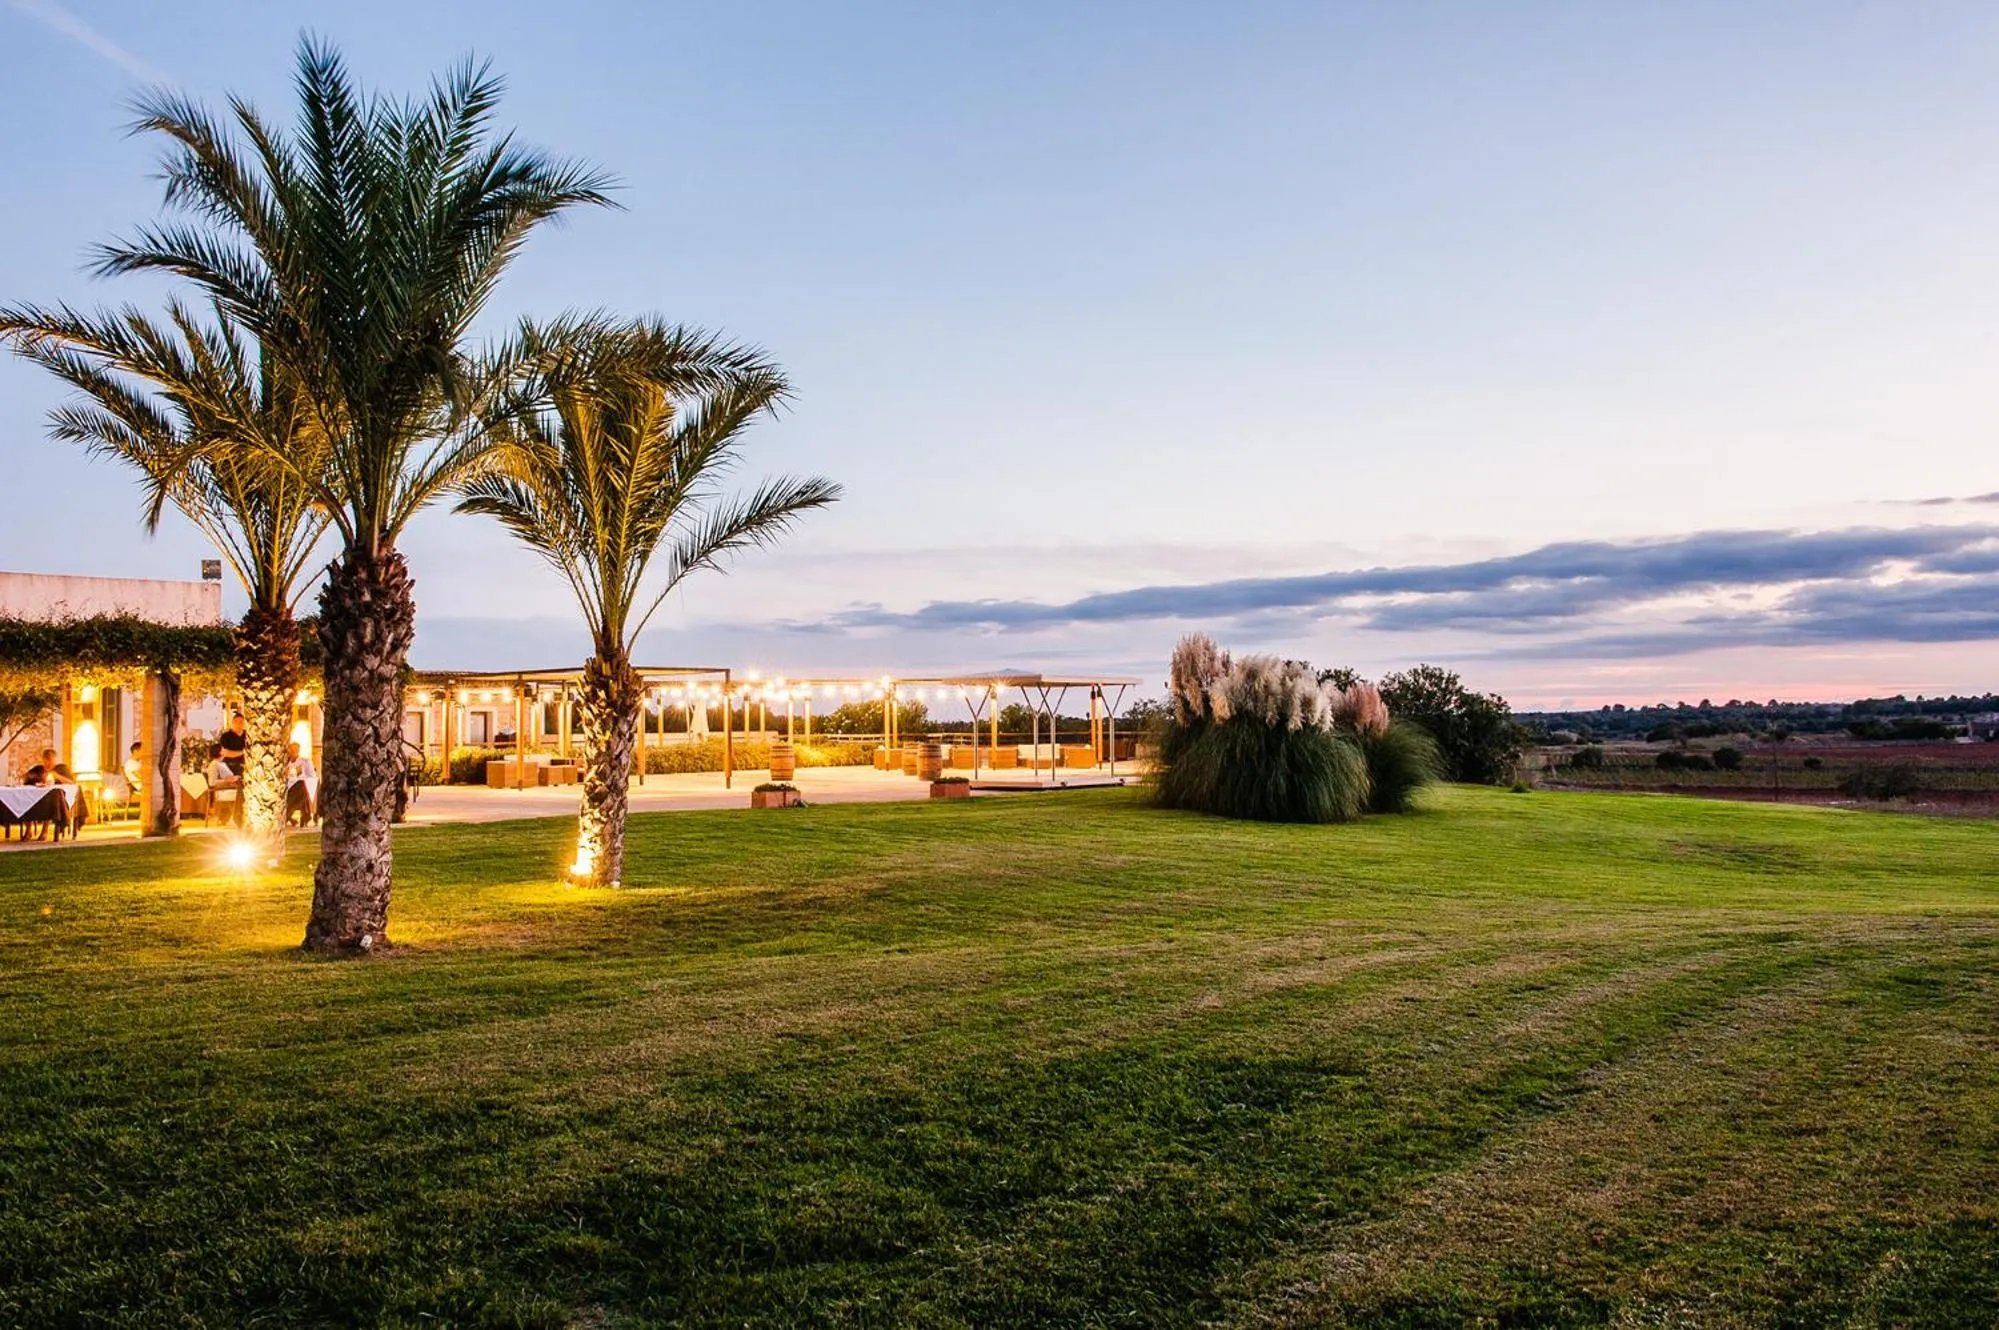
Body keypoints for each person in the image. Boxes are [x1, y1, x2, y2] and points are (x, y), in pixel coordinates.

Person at [284, 741, 317, 827]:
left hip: (301, 788)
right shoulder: (286, 764)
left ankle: (287, 816)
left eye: (293, 751)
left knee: (301, 785)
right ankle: (290, 817)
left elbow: (312, 776)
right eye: (290, 751)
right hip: (288, 788)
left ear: (298, 751)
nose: (291, 753)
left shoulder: (304, 762)